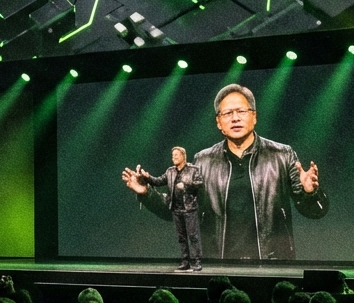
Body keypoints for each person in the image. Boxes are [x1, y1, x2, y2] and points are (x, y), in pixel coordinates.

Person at [122, 84, 328, 261]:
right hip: (219, 264)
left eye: (241, 111)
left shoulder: (282, 155)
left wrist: (310, 192)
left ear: (254, 116)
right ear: (219, 123)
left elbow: (316, 211)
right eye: (227, 114)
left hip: (272, 263)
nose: (235, 118)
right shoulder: (203, 161)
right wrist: (146, 193)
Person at [129, 146, 205, 271]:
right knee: (181, 237)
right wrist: (147, 177)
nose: (174, 157)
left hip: (189, 208)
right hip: (176, 209)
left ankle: (197, 262)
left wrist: (186, 185)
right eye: (172, 155)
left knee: (193, 236)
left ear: (183, 156)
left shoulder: (193, 170)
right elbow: (158, 181)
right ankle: (185, 262)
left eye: (176, 155)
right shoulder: (170, 171)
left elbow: (200, 183)